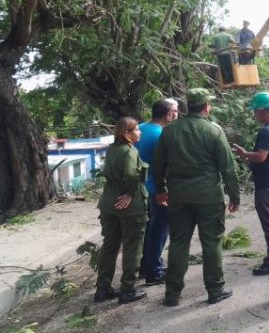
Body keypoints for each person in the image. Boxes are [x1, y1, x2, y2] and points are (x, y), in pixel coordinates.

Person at [153, 88, 240, 307]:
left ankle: (172, 294)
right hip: (209, 196)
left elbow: (158, 165)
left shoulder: (169, 131)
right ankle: (215, 289)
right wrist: (234, 195)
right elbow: (227, 167)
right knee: (211, 242)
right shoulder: (214, 131)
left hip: (179, 196)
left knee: (179, 242)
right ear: (205, 107)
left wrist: (160, 189)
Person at [94, 117, 148, 304]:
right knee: (132, 247)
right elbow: (132, 174)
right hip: (128, 207)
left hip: (108, 203)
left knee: (110, 245)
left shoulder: (111, 150)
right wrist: (131, 194)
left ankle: (102, 289)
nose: (139, 132)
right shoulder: (129, 152)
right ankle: (127, 290)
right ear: (126, 133)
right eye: (136, 130)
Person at [232, 91, 269, 275]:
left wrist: (244, 154)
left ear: (263, 111)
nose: (254, 115)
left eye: (255, 111)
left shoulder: (266, 131)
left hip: (266, 185)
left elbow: (261, 157)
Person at [136, 98, 179, 285]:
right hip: (157, 188)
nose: (177, 114)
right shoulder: (161, 134)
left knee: (152, 228)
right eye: (175, 111)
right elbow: (165, 165)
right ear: (168, 114)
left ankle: (147, 265)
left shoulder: (141, 128)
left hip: (141, 187)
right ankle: (154, 270)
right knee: (160, 229)